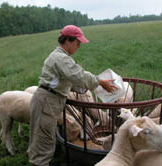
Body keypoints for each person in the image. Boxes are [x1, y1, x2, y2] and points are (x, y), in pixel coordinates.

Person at [27, 25, 117, 166]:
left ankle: (39, 161)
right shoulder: (61, 58)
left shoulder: (60, 57)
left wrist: (88, 88)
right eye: (78, 42)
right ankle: (39, 163)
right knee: (44, 142)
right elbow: (78, 75)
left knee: (44, 139)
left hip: (50, 100)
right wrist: (99, 81)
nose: (79, 46)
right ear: (68, 40)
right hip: (47, 101)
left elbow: (68, 81)